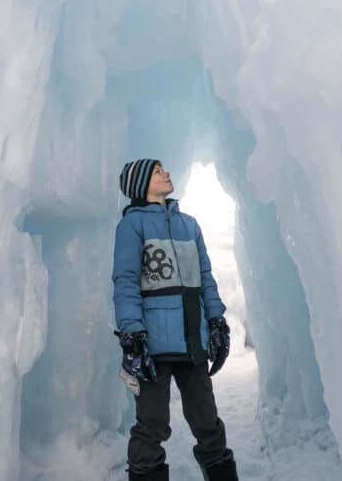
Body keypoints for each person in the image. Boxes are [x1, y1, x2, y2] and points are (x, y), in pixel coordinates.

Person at [112, 158, 239, 481]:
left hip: (192, 340)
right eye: (157, 171)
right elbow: (126, 281)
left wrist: (216, 321)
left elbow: (205, 278)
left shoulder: (190, 225)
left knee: (207, 420)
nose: (166, 173)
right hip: (153, 345)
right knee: (151, 423)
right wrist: (133, 335)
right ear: (141, 185)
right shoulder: (132, 226)